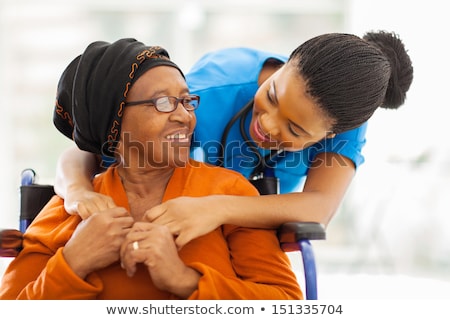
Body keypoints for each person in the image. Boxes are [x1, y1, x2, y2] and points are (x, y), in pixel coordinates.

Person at [0, 39, 302, 300]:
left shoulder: (229, 192)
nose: (185, 116)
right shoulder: (71, 208)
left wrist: (183, 279)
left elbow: (284, 302)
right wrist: (74, 262)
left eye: (186, 101)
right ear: (113, 123)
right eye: (163, 103)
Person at [54, 31, 413, 248]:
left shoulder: (345, 121)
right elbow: (84, 151)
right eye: (272, 96)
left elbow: (319, 208)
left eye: (295, 130)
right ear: (285, 65)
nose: (269, 125)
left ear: (330, 135)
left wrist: (216, 207)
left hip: (237, 234)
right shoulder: (209, 92)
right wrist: (78, 192)